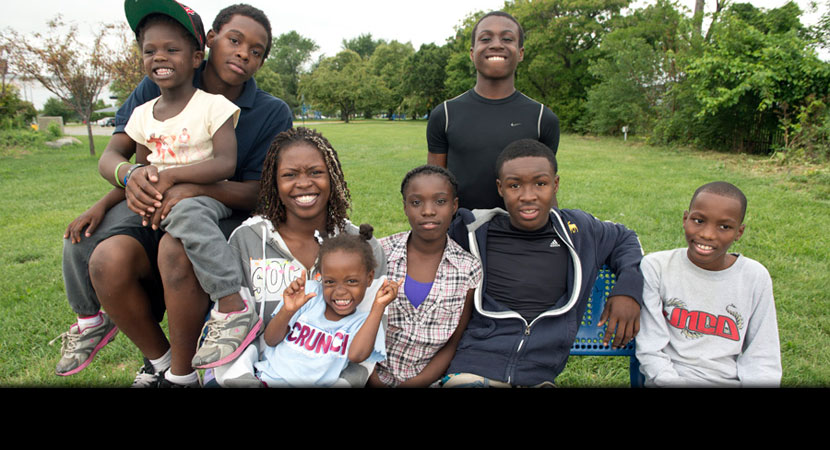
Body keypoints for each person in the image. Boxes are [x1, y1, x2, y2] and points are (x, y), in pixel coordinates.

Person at [54, 1, 292, 387]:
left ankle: (182, 374)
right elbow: (125, 156)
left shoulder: (269, 111)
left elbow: (258, 194)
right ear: (210, 41)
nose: (242, 53)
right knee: (100, 253)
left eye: (255, 51)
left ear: (262, 61)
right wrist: (127, 180)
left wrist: (188, 186)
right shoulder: (162, 80)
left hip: (220, 211)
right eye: (234, 40)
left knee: (175, 245)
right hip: (160, 200)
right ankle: (159, 362)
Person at [441, 139, 643, 387]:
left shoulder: (578, 231)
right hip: (472, 371)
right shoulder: (472, 230)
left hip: (538, 377)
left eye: (540, 183)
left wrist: (628, 290)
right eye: (515, 185)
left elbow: (625, 238)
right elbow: (416, 245)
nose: (528, 196)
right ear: (500, 188)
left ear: (555, 184)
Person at [210, 127, 387, 388]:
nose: (304, 183)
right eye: (290, 175)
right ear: (274, 182)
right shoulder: (247, 240)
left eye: (316, 172)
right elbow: (234, 328)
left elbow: (368, 338)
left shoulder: (362, 246)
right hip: (259, 375)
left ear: (333, 177)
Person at [635, 182, 782, 387]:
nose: (708, 234)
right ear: (685, 219)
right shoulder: (657, 267)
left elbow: (763, 355)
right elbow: (651, 349)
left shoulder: (755, 277)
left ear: (739, 232)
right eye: (699, 220)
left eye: (724, 227)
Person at [426, 11, 559, 211]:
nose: (496, 44)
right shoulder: (444, 114)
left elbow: (545, 189)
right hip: (460, 234)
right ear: (472, 53)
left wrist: (555, 233)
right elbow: (434, 189)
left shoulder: (542, 118)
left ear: (520, 52)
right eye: (486, 38)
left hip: (521, 236)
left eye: (507, 38)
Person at [368, 165, 482, 388]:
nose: (428, 211)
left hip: (429, 379)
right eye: (416, 202)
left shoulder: (468, 268)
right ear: (405, 207)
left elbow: (455, 340)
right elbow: (356, 321)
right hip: (369, 373)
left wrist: (419, 382)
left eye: (440, 201)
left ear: (454, 206)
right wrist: (370, 377)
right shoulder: (379, 253)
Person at [253, 226, 399, 387]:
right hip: (268, 378)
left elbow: (357, 356)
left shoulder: (366, 322)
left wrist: (378, 306)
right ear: (320, 277)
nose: (340, 291)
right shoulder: (308, 294)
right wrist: (287, 311)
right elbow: (271, 340)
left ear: (369, 278)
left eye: (351, 281)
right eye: (330, 282)